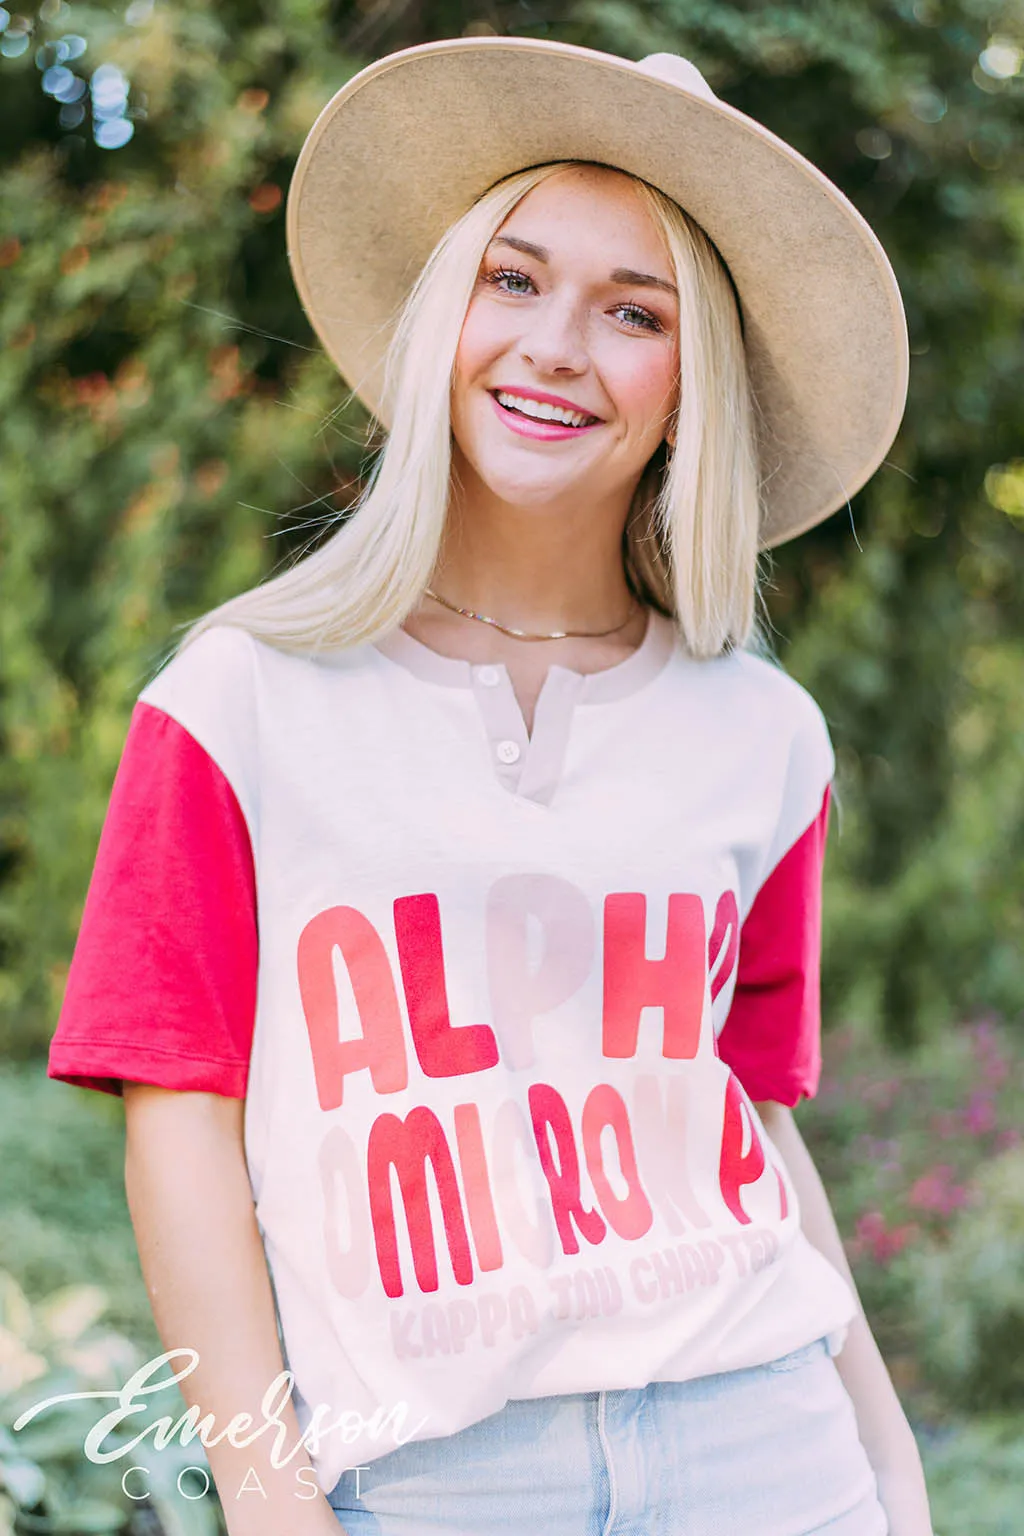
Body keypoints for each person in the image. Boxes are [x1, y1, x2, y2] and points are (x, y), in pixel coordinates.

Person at [46, 35, 935, 1536]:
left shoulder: (765, 735)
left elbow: (752, 1121)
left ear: (688, 381)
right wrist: (271, 1502)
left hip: (766, 1446)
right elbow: (178, 1113)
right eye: (513, 281)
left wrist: (892, 1467)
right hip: (433, 1474)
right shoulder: (236, 700)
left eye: (632, 311)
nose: (557, 347)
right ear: (441, 312)